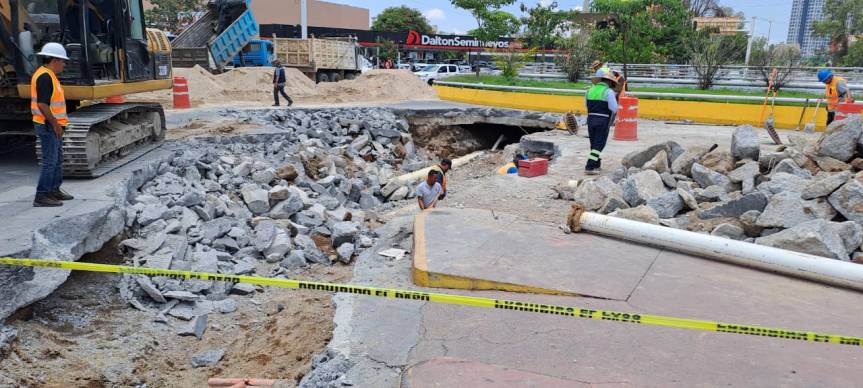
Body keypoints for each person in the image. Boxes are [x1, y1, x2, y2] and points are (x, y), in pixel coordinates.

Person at [31, 43, 73, 207]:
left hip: (53, 124)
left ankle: (54, 190)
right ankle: (41, 195)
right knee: (50, 161)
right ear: (54, 60)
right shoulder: (45, 77)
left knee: (57, 160)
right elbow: (43, 104)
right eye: (62, 61)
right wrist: (55, 124)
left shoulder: (49, 75)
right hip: (47, 124)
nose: (64, 64)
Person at [584, 68, 619, 175]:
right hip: (603, 120)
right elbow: (614, 108)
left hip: (590, 119)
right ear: (609, 81)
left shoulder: (589, 90)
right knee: (599, 144)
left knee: (594, 143)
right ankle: (589, 167)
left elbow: (586, 105)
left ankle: (596, 164)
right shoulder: (608, 92)